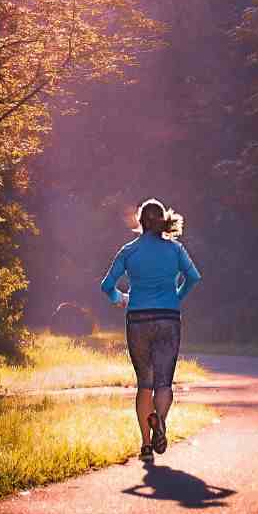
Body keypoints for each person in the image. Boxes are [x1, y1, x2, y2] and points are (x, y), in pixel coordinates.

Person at [100, 198, 202, 464]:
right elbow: (194, 277)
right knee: (164, 383)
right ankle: (161, 424)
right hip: (168, 318)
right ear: (162, 221)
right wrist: (176, 298)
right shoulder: (175, 250)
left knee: (144, 383)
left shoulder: (128, 251)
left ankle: (146, 445)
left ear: (140, 221)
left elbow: (106, 285)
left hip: (137, 319)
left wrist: (119, 298)